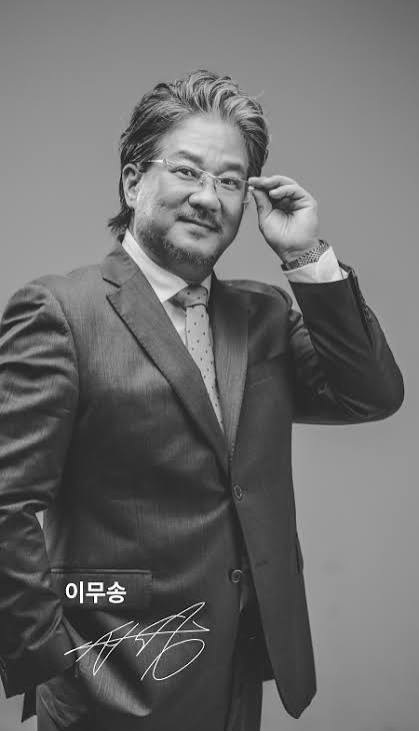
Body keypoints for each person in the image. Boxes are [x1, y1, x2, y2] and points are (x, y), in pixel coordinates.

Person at [0, 69, 403, 731]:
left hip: (238, 671)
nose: (208, 197)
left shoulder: (264, 316)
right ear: (133, 182)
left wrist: (305, 255)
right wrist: (51, 661)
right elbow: (6, 502)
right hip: (110, 678)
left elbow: (371, 395)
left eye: (230, 181)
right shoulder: (61, 314)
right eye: (187, 171)